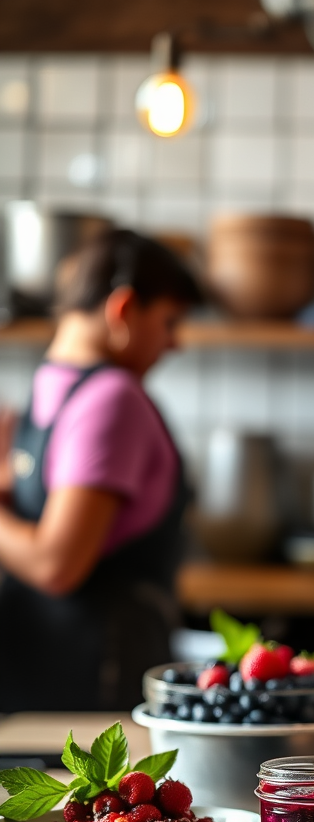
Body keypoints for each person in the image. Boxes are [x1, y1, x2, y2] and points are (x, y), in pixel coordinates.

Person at [0, 229, 202, 711]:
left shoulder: (51, 386)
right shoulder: (112, 399)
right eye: (169, 322)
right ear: (123, 309)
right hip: (92, 686)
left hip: (39, 678)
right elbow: (55, 565)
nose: (174, 345)